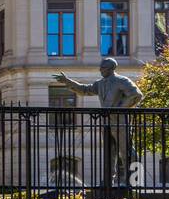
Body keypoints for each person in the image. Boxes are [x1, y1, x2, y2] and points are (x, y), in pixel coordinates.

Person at [53, 57, 144, 187]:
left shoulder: (122, 81)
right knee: (109, 153)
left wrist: (118, 109)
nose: (100, 70)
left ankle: (134, 182)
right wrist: (68, 81)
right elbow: (84, 90)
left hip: (120, 122)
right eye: (100, 68)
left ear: (111, 69)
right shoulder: (100, 83)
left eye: (103, 68)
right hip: (106, 123)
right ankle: (108, 182)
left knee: (127, 151)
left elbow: (136, 95)